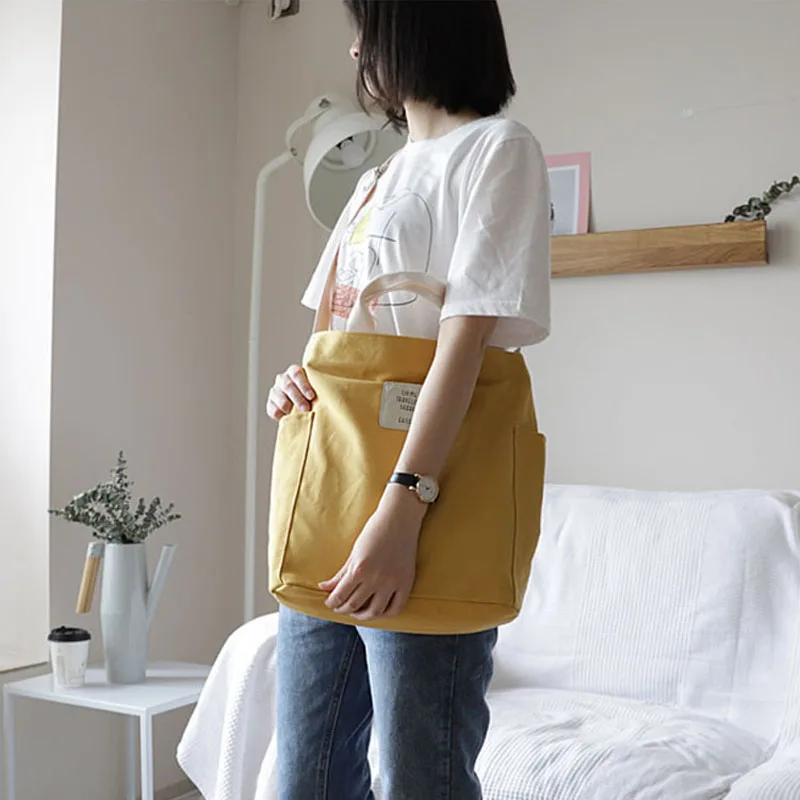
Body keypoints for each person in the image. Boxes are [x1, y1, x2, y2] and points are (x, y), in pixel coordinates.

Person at [266, 1, 551, 797]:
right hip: (334, 494)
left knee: (421, 777)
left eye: (368, 27)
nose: (357, 48)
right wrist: (293, 381)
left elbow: (465, 341)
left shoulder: (499, 149)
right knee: (304, 778)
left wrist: (405, 505)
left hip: (423, 504)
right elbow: (336, 338)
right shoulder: (376, 178)